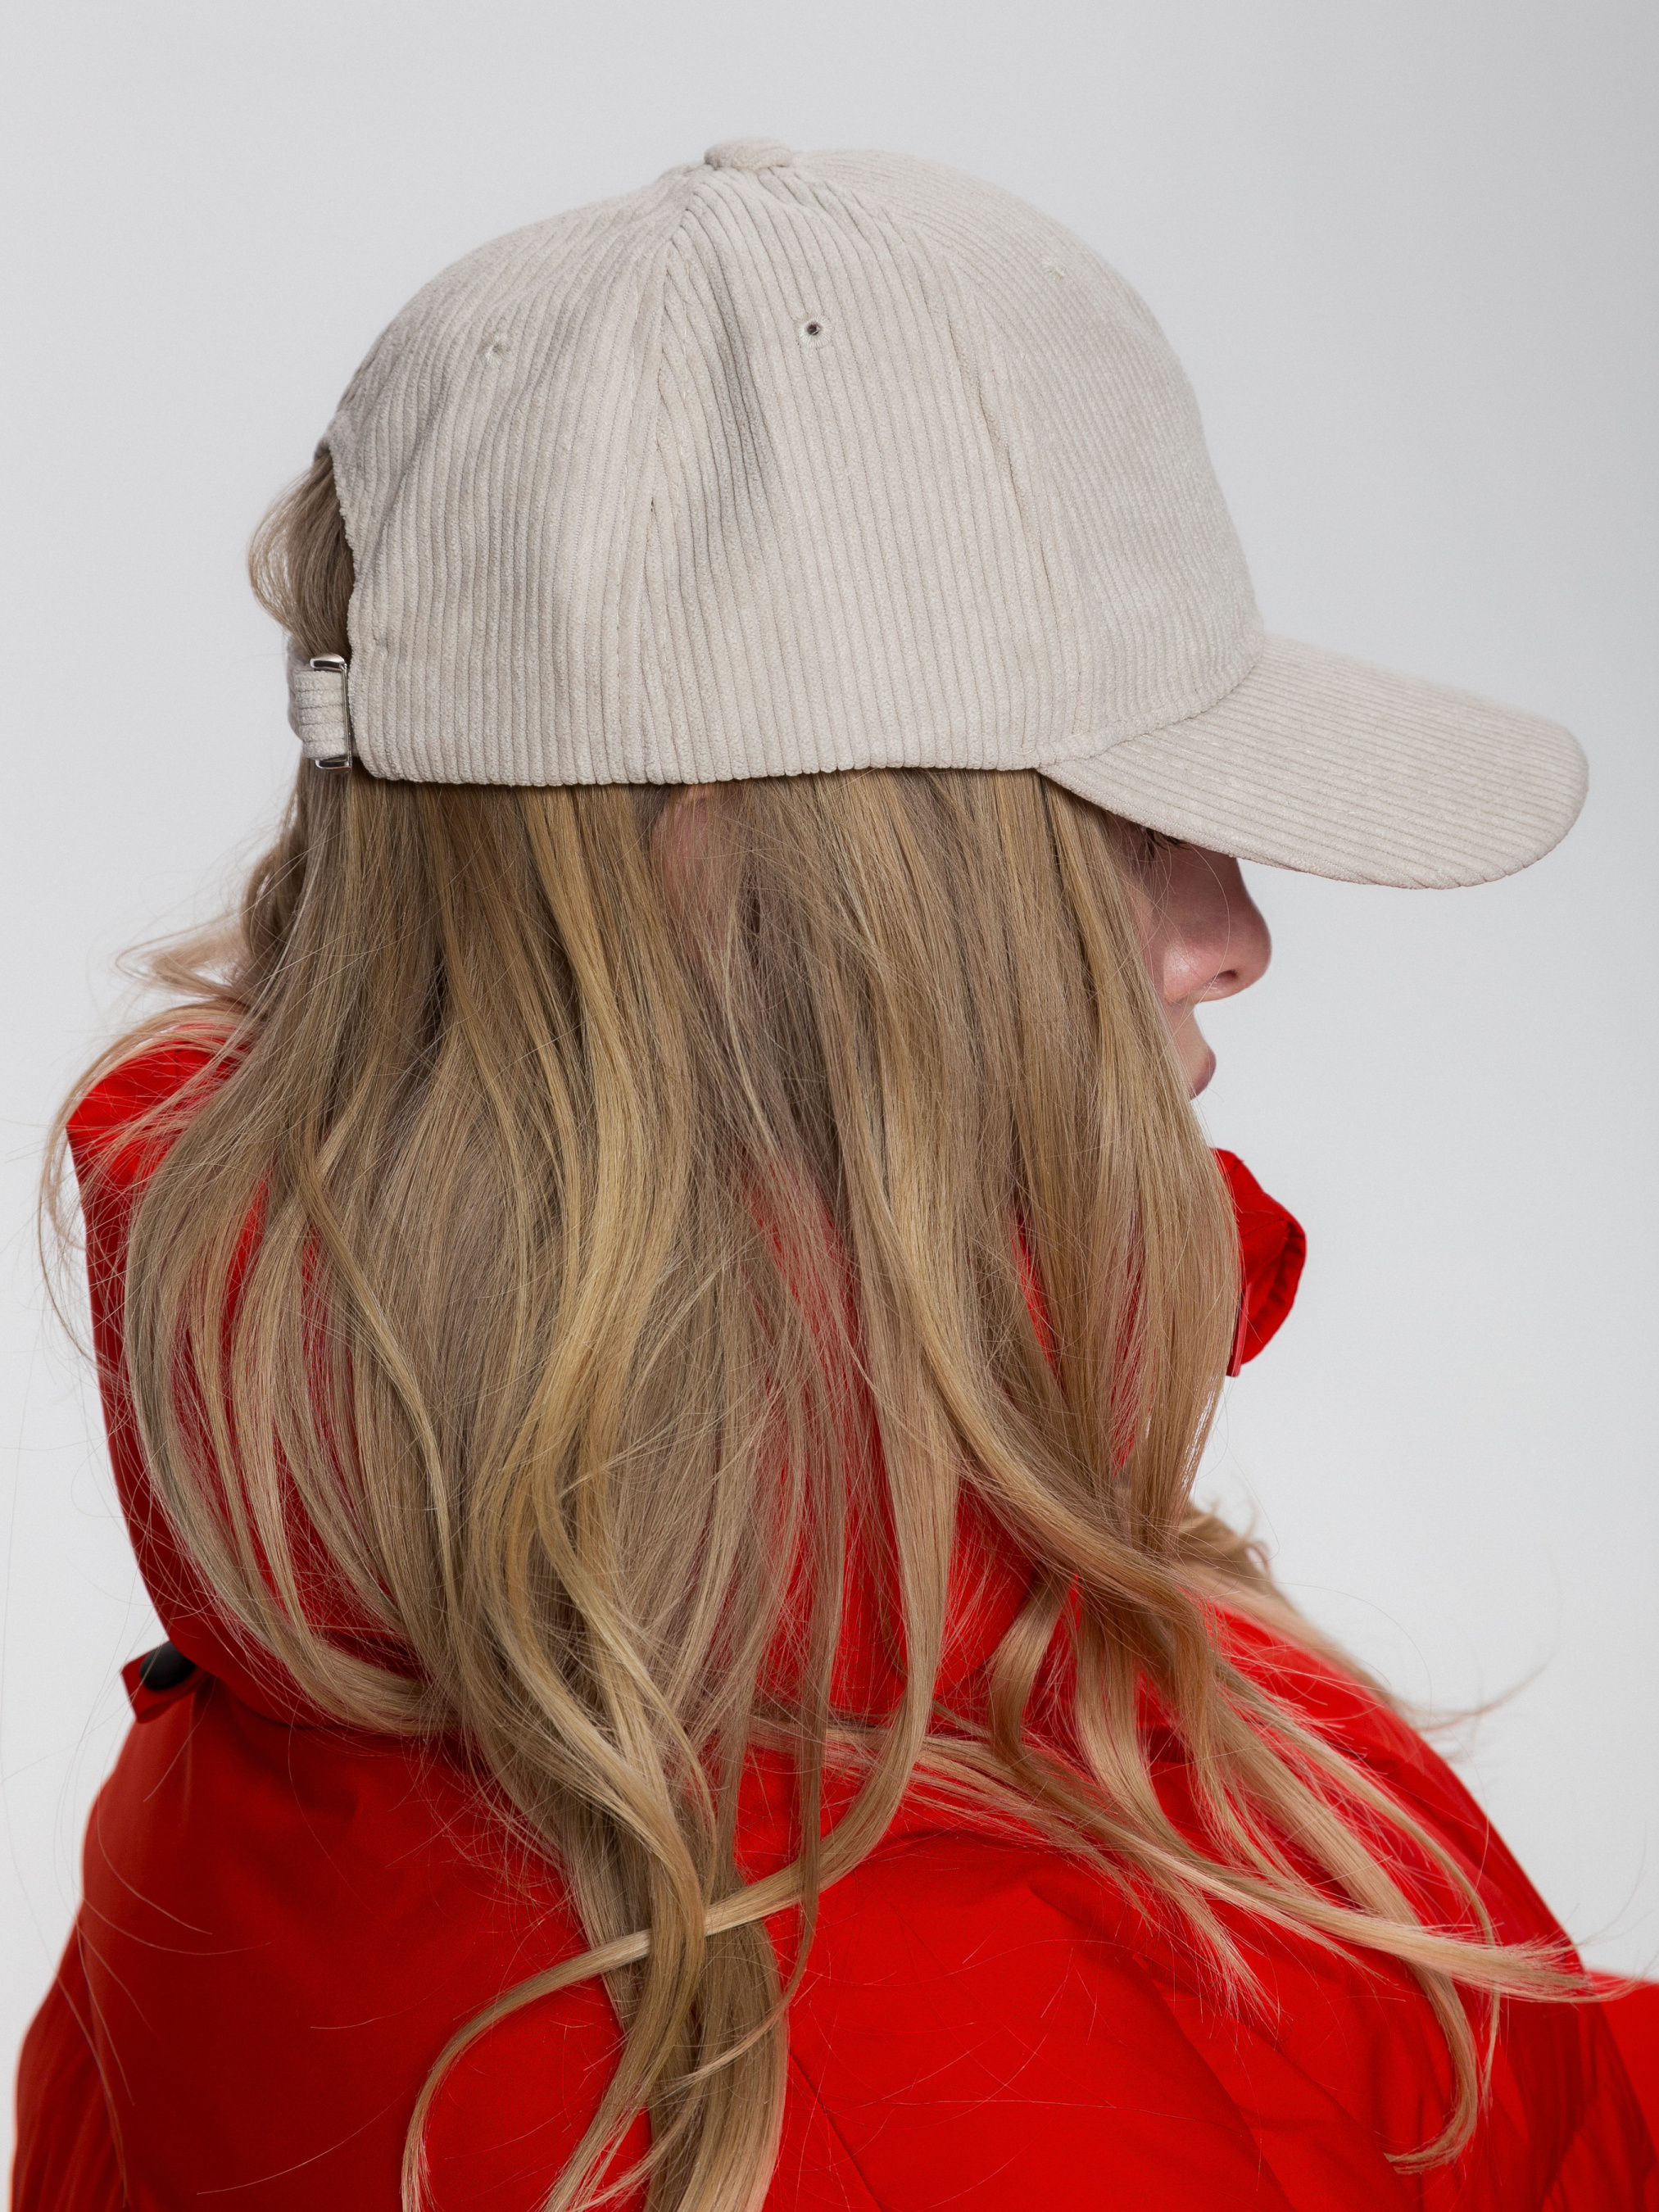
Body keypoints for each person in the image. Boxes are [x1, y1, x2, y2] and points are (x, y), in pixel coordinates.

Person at [12, 139, 1657, 2212]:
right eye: (1126, 827)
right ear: (729, 881)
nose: (1231, 934)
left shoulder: (686, 1614)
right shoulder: (886, 2067)